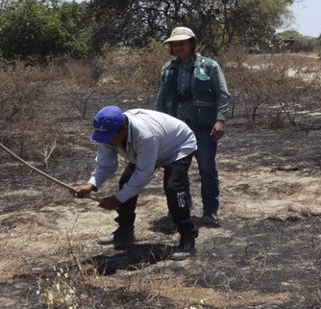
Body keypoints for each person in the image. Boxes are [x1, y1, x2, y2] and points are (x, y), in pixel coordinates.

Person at [70, 106, 199, 260]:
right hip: (153, 146)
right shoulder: (107, 134)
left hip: (177, 145)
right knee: (126, 181)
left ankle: (187, 237)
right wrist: (91, 185)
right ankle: (125, 231)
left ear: (124, 130)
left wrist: (118, 199)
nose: (106, 142)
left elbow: (144, 174)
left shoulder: (145, 135)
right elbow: (106, 165)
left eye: (110, 137)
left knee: (173, 187)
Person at [155, 26, 230, 226]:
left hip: (203, 127)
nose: (178, 47)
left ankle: (210, 211)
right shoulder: (168, 69)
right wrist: (159, 127)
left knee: (207, 169)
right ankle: (181, 209)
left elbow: (222, 94)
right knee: (177, 171)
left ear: (192, 43)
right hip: (175, 129)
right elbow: (161, 100)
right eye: (174, 44)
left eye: (182, 43)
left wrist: (220, 120)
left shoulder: (210, 66)